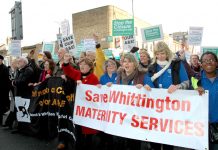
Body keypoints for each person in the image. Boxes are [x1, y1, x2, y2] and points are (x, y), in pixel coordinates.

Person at [144, 41, 189, 150]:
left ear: (167, 53)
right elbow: (147, 82)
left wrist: (177, 86)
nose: (160, 56)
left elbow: (187, 82)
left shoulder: (177, 65)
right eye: (157, 53)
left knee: (169, 140)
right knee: (155, 139)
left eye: (163, 53)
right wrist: (147, 86)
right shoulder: (151, 67)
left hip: (172, 108)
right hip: (155, 109)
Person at [62, 53, 101, 150]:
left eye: (85, 65)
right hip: (79, 110)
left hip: (88, 111)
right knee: (78, 131)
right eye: (81, 64)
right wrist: (66, 61)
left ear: (90, 67)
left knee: (88, 134)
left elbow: (96, 96)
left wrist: (98, 88)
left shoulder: (94, 78)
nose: (82, 66)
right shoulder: (78, 74)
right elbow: (68, 71)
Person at [112, 53, 145, 150]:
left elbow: (151, 91)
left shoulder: (142, 76)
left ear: (135, 64)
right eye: (124, 61)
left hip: (134, 117)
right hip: (120, 117)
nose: (126, 64)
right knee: (120, 143)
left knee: (133, 144)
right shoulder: (118, 76)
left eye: (129, 61)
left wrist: (144, 88)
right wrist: (107, 87)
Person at [193, 51, 218, 150]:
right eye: (205, 61)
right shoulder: (195, 80)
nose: (208, 62)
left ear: (216, 63)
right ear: (201, 64)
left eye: (211, 60)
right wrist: (194, 90)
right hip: (200, 127)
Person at [0, 55, 10, 126]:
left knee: (1, 106)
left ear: (1, 60)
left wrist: (5, 91)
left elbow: (6, 81)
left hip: (2, 90)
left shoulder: (5, 68)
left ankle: (0, 122)